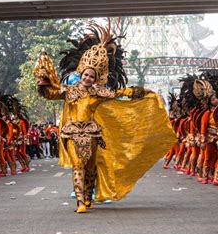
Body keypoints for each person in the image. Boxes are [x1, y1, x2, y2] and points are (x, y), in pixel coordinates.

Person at [33, 24, 176, 213]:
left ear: (96, 77)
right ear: (81, 73)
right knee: (78, 165)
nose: (88, 78)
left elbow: (119, 93)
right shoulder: (69, 91)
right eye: (86, 74)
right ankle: (80, 202)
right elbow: (50, 93)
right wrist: (43, 80)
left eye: (92, 76)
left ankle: (88, 197)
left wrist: (140, 92)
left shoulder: (99, 92)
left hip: (92, 133)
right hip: (72, 132)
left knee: (91, 167)